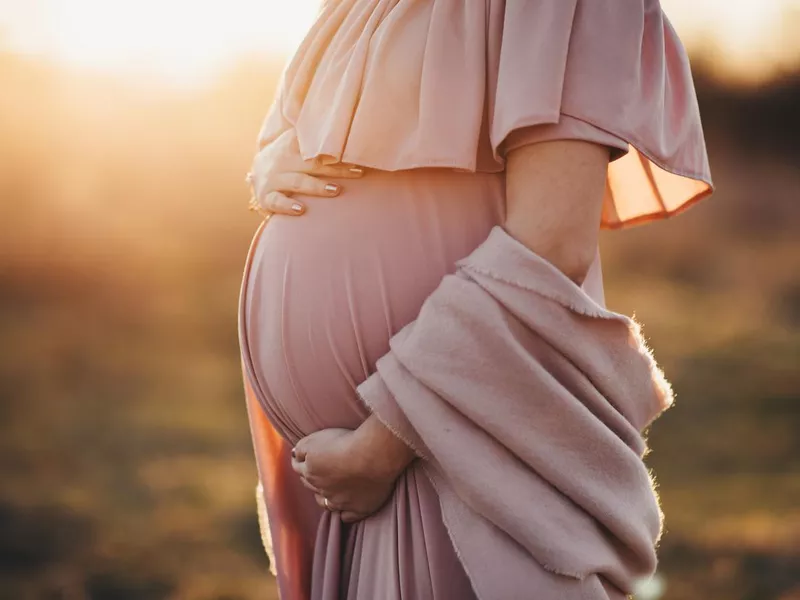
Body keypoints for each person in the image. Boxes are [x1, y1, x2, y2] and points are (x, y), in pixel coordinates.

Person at [238, 2, 713, 599]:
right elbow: (301, 130)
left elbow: (550, 245)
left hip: (449, 452)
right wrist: (270, 161)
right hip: (345, 477)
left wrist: (380, 447)